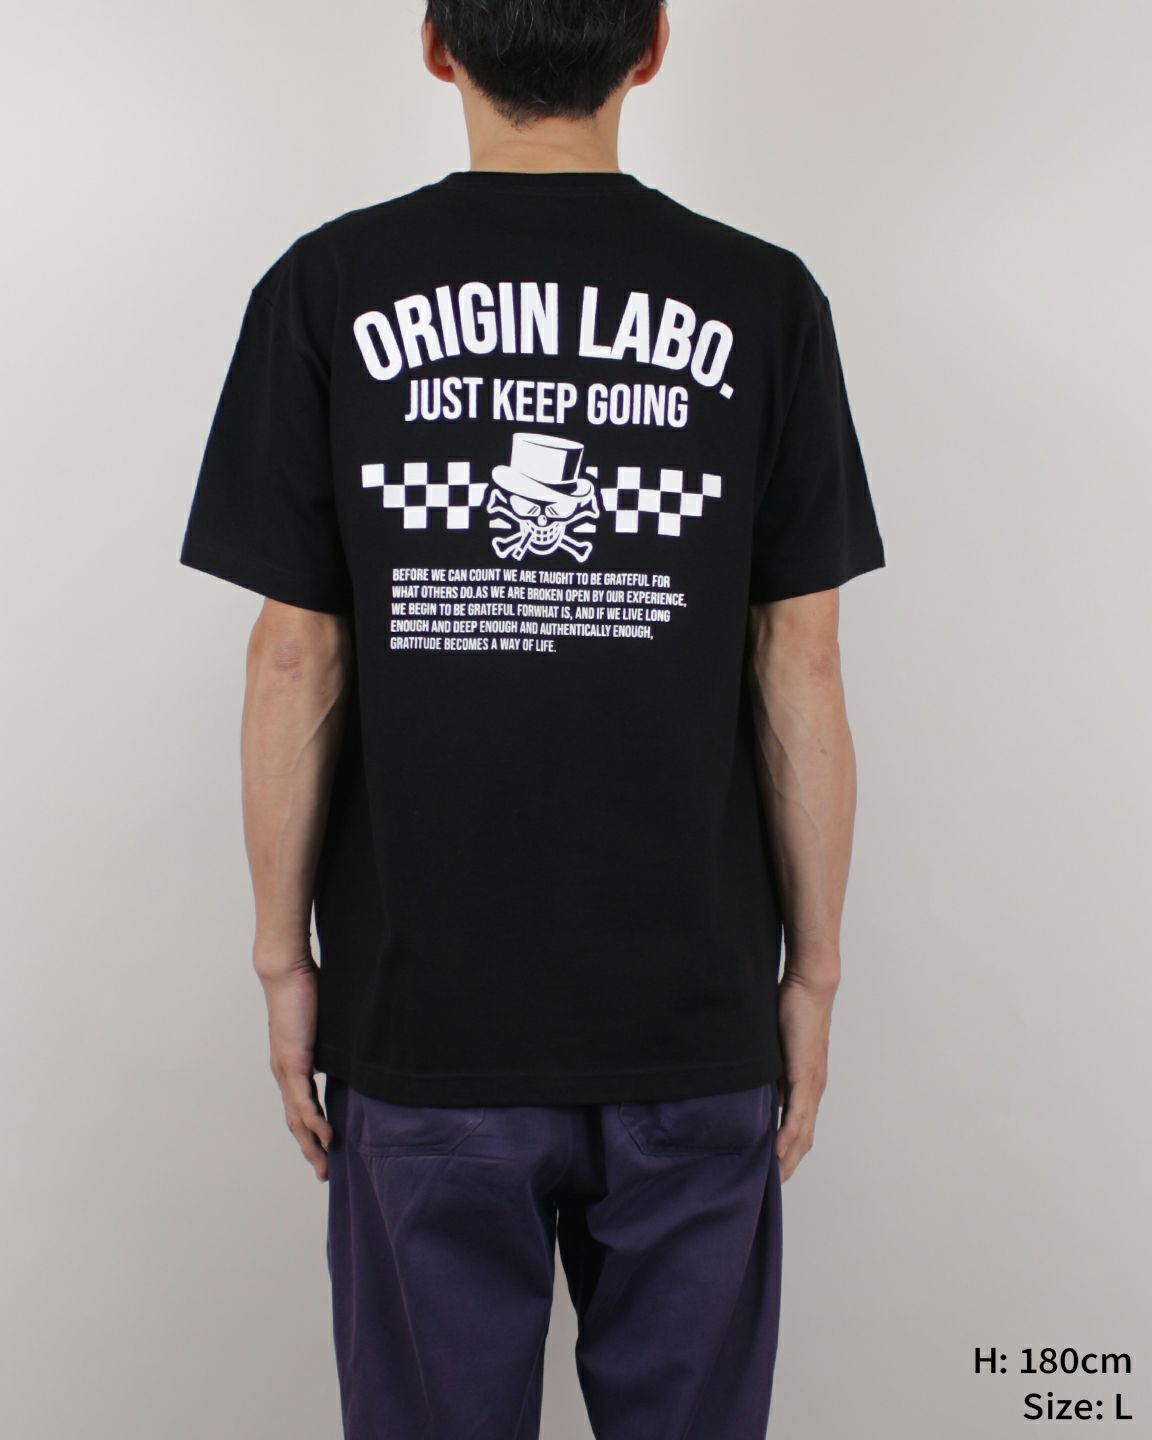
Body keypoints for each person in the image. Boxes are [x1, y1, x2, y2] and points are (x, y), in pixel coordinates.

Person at [179, 2, 885, 1435]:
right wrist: (811, 978)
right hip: (691, 1018)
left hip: (424, 1018)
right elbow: (799, 666)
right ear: (654, 43)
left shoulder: (329, 287)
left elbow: (292, 662)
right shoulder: (765, 299)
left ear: (438, 43)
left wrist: (282, 961)